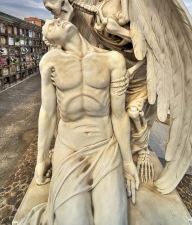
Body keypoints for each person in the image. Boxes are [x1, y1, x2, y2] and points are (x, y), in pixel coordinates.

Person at [32, 18, 139, 225]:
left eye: (56, 20)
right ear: (49, 40)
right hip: (69, 147)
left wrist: (127, 161)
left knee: (113, 220)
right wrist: (41, 159)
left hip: (104, 145)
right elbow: (48, 112)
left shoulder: (112, 60)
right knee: (74, 220)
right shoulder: (50, 61)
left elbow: (119, 115)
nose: (56, 22)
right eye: (50, 26)